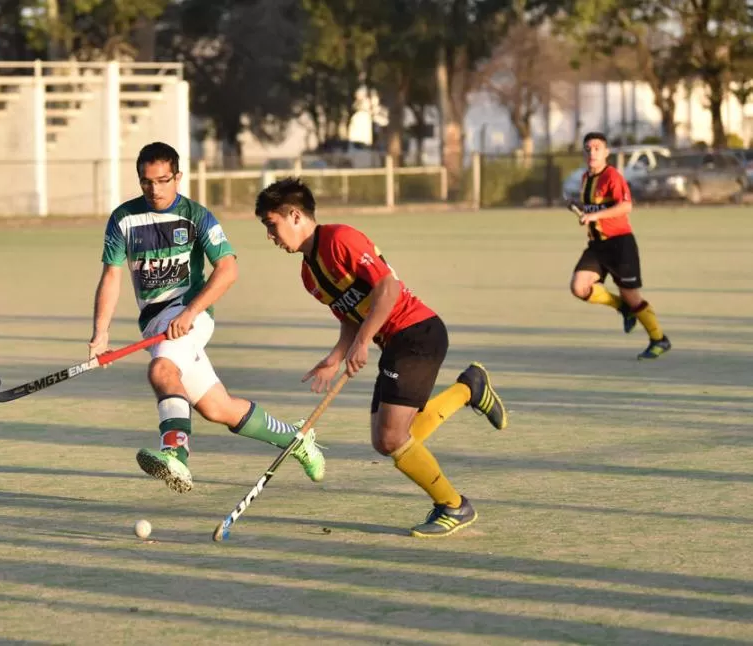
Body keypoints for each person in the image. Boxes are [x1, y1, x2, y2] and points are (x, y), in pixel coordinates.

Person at [254, 177, 508, 538]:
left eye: (271, 225)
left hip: (417, 333)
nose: (271, 236)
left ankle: (454, 505)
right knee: (386, 439)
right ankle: (469, 388)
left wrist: (364, 340)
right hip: (396, 343)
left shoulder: (340, 238)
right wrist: (336, 357)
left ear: (294, 215)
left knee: (392, 439)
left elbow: (387, 287)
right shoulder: (309, 274)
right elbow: (348, 315)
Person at [90, 142, 325, 493]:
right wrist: (100, 334)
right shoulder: (124, 219)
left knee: (162, 370)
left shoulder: (197, 217)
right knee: (219, 408)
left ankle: (175, 454)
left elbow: (228, 270)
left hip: (191, 314)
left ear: (178, 177)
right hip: (155, 322)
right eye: (146, 182)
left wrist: (190, 312)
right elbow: (111, 275)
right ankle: (297, 438)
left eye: (163, 180)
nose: (155, 189)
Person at [568, 131, 672, 359]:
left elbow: (626, 207)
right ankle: (622, 308)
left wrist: (594, 217)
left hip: (620, 245)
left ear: (606, 152)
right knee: (579, 287)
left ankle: (659, 339)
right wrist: (581, 210)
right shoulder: (586, 178)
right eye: (588, 148)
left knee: (632, 296)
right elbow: (594, 209)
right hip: (597, 246)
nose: (592, 152)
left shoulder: (612, 176)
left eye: (597, 148)